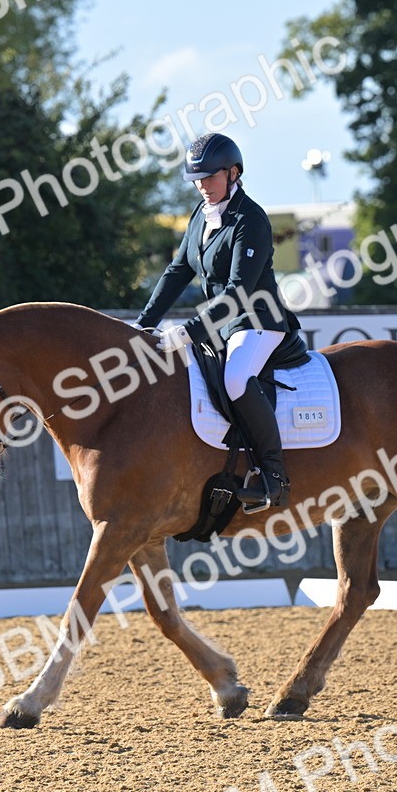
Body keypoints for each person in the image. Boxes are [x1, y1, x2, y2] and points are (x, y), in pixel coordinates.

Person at [132, 132, 303, 511]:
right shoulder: (200, 215)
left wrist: (189, 331)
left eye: (210, 177)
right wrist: (144, 324)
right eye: (197, 180)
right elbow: (178, 271)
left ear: (233, 173)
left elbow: (240, 291)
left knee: (236, 378)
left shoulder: (250, 218)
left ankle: (274, 478)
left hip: (258, 320)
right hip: (223, 326)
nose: (203, 186)